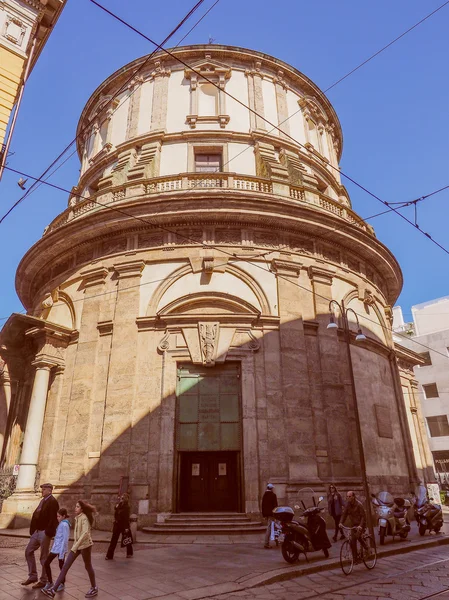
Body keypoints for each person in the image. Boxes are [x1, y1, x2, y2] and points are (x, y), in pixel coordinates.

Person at [42, 500, 98, 599]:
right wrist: (75, 546)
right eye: (76, 506)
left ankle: (94, 587)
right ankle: (53, 590)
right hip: (77, 546)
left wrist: (75, 546)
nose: (75, 508)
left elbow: (85, 534)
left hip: (85, 546)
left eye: (77, 507)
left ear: (82, 509)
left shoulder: (84, 518)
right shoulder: (78, 518)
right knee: (65, 567)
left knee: (88, 566)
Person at [22, 483, 59, 589]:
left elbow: (54, 519)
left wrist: (48, 532)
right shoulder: (42, 500)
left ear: (50, 490)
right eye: (42, 489)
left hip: (44, 533)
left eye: (44, 489)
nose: (42, 490)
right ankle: (33, 576)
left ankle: (44, 580)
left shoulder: (53, 502)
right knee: (28, 551)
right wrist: (33, 530)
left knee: (43, 557)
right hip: (37, 532)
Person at [43, 508, 70, 592]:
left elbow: (65, 539)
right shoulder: (62, 523)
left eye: (59, 516)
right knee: (52, 564)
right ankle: (52, 582)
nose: (57, 518)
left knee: (58, 565)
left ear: (63, 516)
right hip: (56, 548)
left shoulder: (64, 525)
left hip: (59, 548)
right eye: (57, 516)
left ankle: (60, 583)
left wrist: (62, 552)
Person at [105, 492, 133, 559]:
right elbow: (116, 509)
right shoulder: (119, 505)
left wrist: (126, 527)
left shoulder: (127, 507)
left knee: (127, 539)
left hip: (123, 526)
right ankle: (109, 555)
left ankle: (129, 553)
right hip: (117, 525)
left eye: (123, 498)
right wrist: (116, 506)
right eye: (121, 498)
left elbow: (126, 518)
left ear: (125, 499)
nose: (121, 499)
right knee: (113, 540)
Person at [340, 490, 367, 560]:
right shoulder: (347, 505)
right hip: (353, 525)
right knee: (352, 540)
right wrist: (341, 522)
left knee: (356, 537)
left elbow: (363, 517)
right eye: (347, 496)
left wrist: (360, 526)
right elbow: (344, 514)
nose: (348, 498)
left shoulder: (359, 505)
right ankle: (355, 557)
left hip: (361, 524)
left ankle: (365, 547)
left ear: (353, 497)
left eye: (350, 496)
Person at [261, 483, 278, 549]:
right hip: (272, 514)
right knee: (270, 527)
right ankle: (266, 543)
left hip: (266, 514)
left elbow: (263, 505)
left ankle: (273, 541)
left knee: (271, 527)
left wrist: (264, 515)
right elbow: (275, 506)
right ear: (272, 488)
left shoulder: (265, 495)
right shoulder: (273, 495)